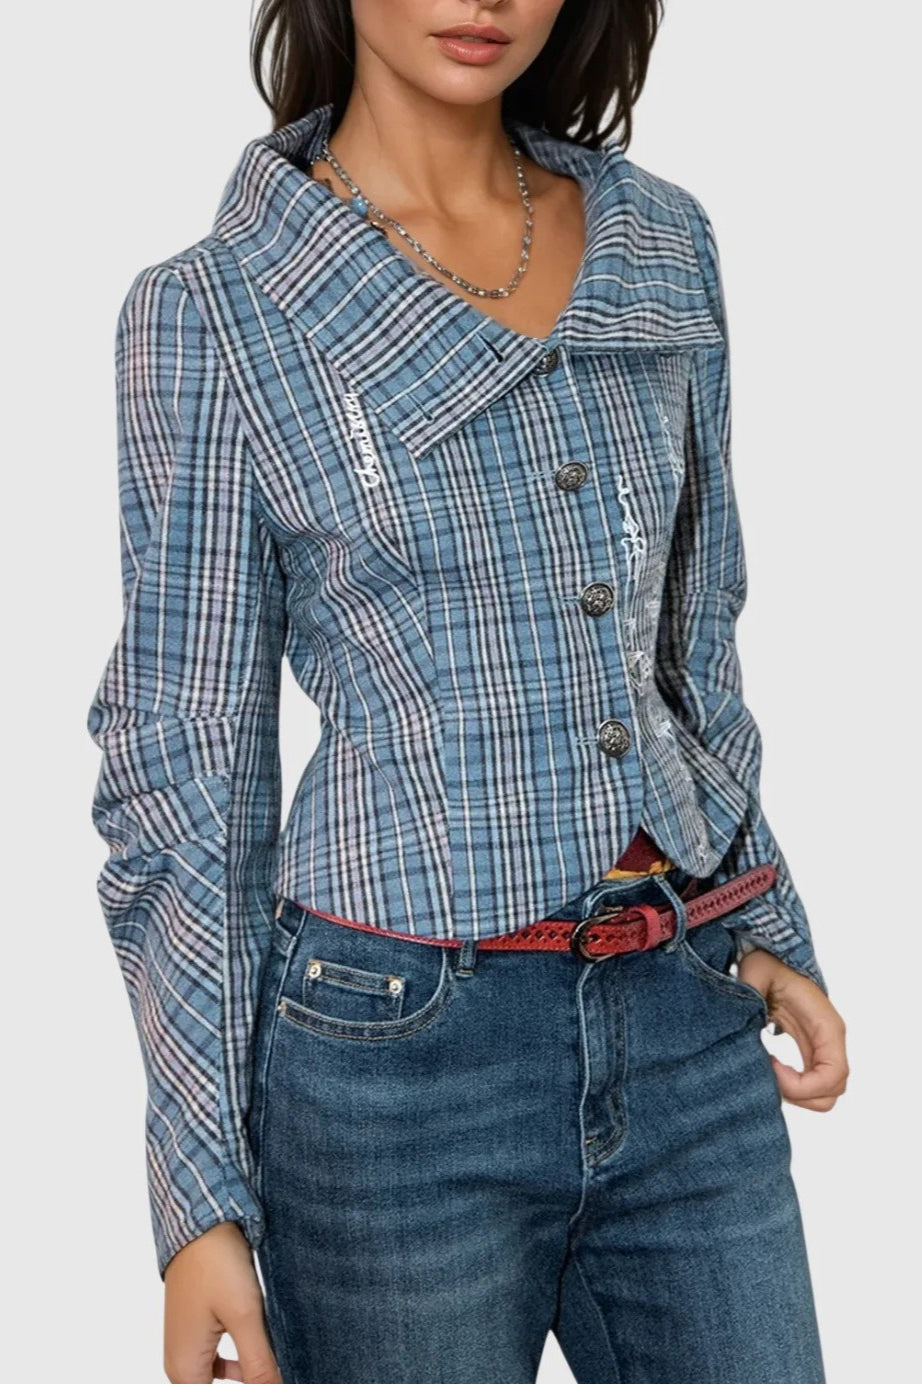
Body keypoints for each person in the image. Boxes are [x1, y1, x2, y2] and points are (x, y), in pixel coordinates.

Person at [86, 2, 848, 1381]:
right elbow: (187, 764)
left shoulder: (660, 242)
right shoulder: (217, 311)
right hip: (394, 1061)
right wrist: (197, 1195)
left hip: (686, 1011)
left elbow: (696, 639)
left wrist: (763, 912)